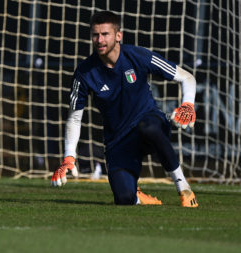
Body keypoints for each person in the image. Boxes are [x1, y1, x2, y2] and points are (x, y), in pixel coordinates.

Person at [51, 11, 198, 207]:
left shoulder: (138, 55)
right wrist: (69, 155)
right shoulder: (84, 72)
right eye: (95, 35)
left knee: (149, 127)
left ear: (118, 36)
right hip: (118, 141)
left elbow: (187, 77)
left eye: (105, 34)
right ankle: (136, 194)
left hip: (149, 124)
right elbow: (74, 118)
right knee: (124, 199)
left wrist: (188, 103)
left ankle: (183, 188)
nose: (99, 39)